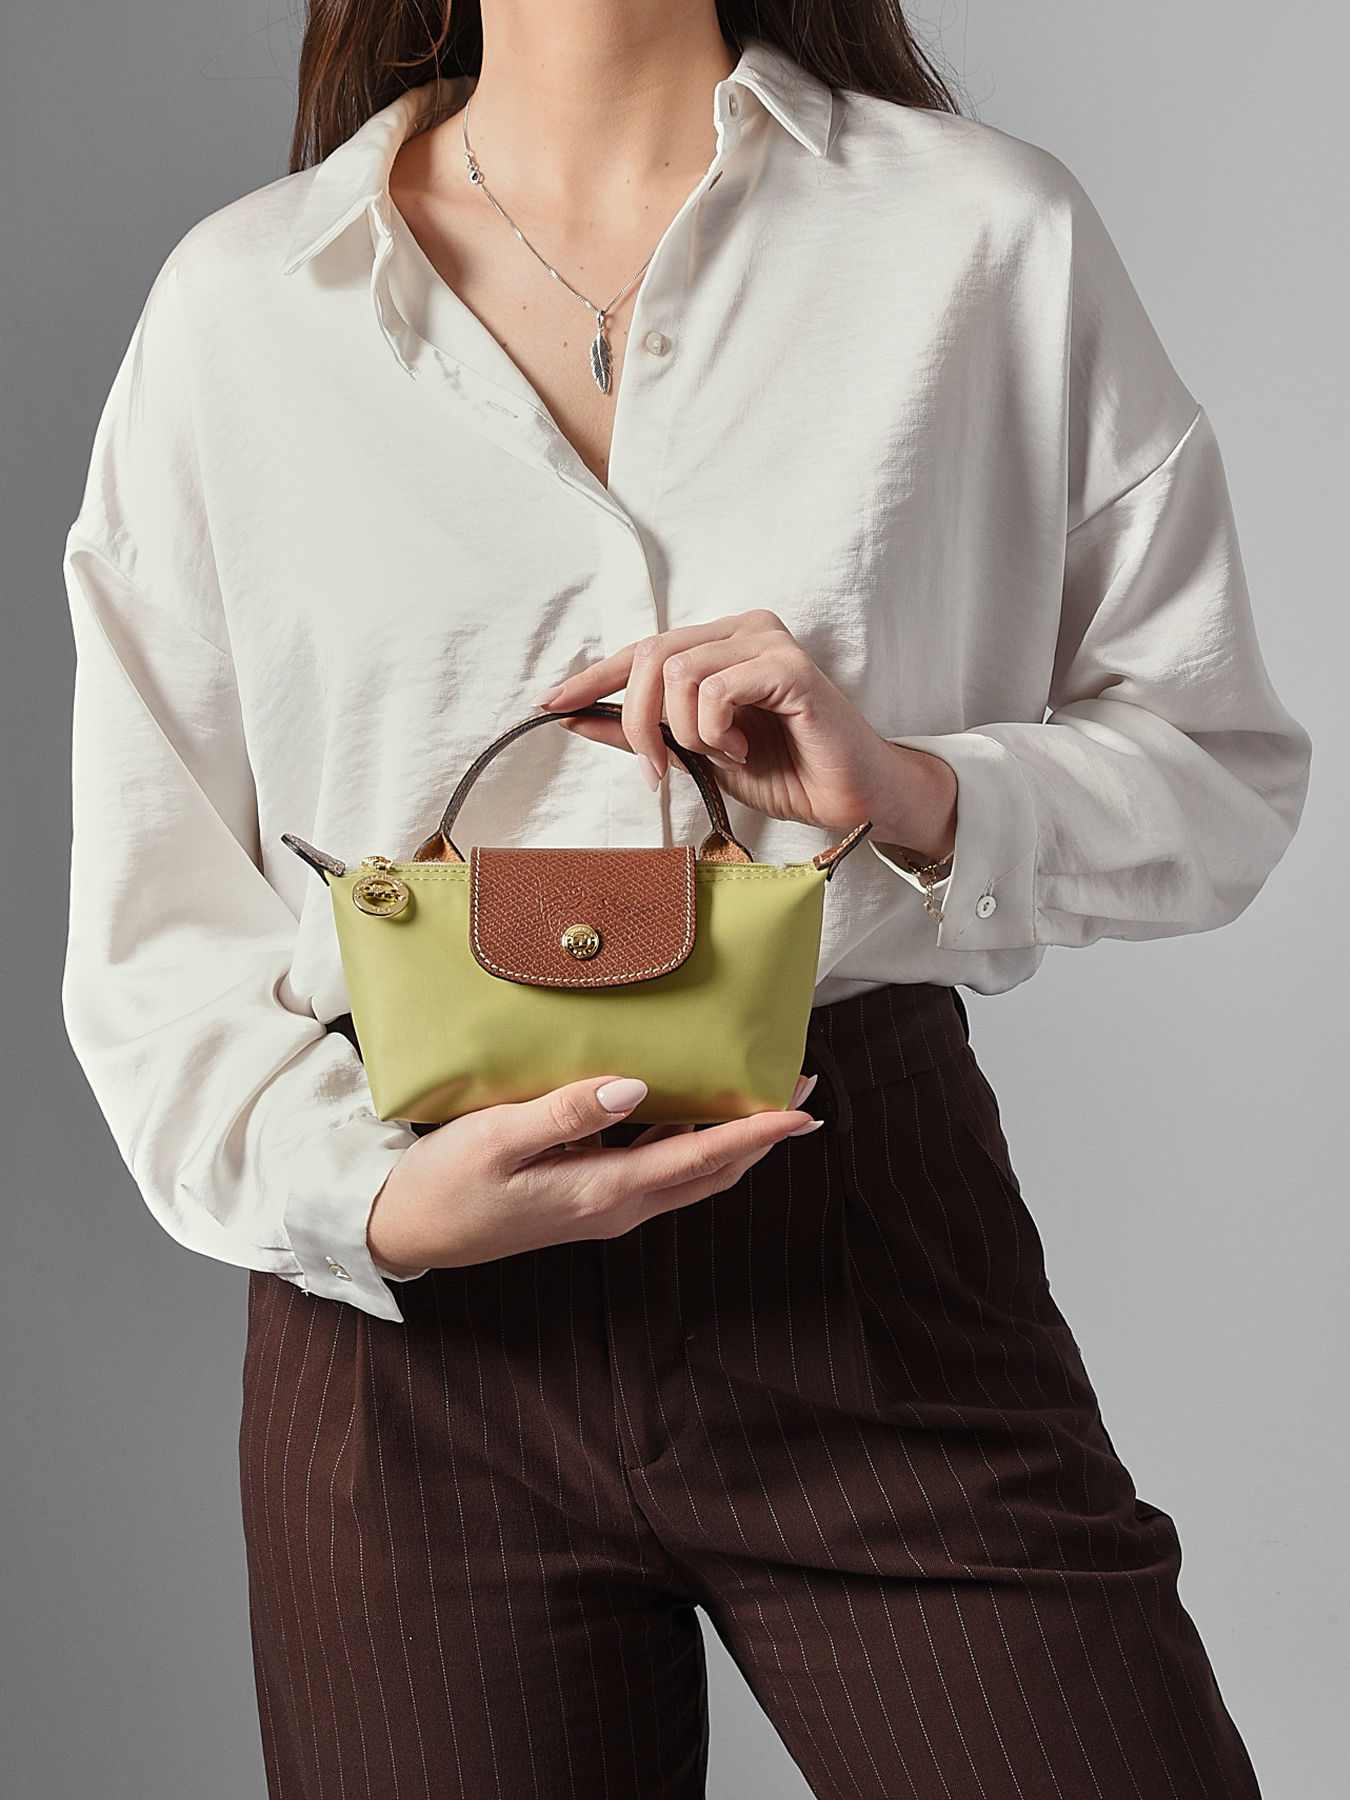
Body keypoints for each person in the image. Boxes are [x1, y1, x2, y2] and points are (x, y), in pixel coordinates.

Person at [60, 2, 1311, 1796]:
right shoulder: (244, 304)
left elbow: (1215, 769)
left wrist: (914, 787)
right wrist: (373, 1202)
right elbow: (159, 912)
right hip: (407, 1331)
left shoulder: (978, 235)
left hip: (855, 1240)